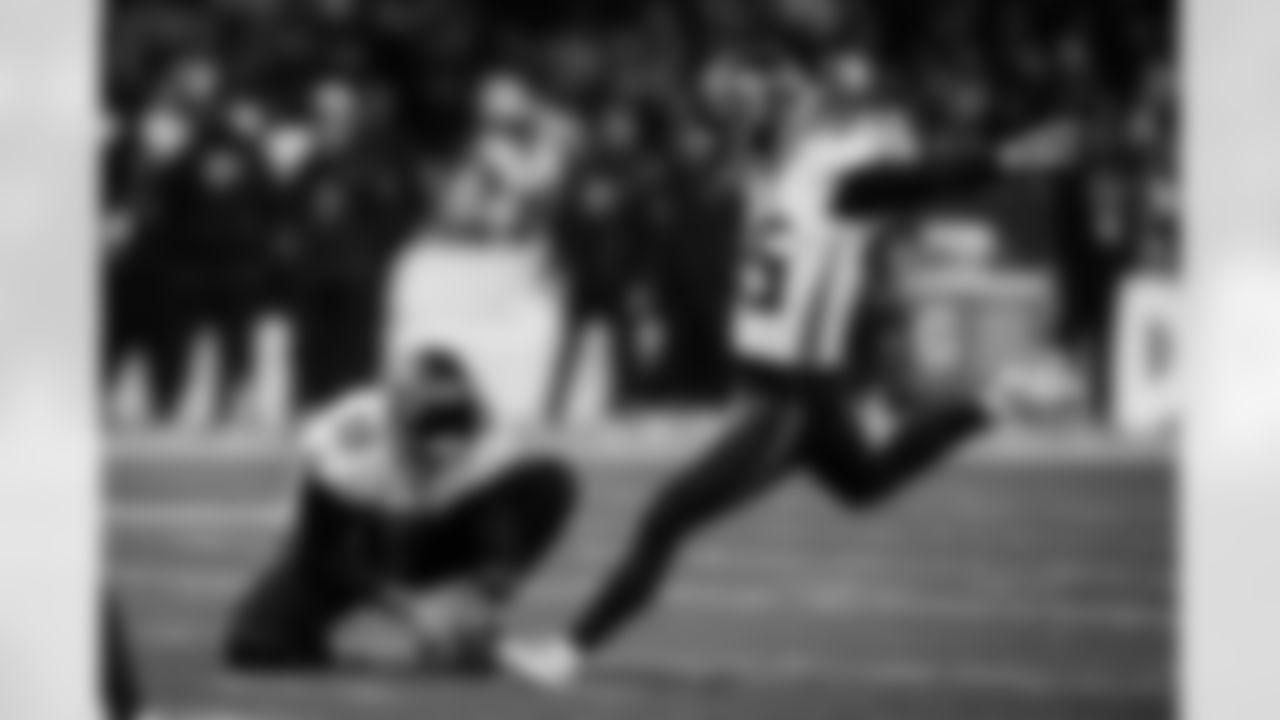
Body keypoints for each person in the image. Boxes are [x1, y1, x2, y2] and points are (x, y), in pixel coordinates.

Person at [498, 57, 1080, 689]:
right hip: (808, 390)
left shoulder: (831, 174)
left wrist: (1003, 158)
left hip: (790, 396)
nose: (759, 124)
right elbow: (734, 126)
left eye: (773, 115)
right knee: (866, 483)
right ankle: (999, 401)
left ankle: (568, 652)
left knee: (668, 515)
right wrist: (743, 101)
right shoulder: (780, 169)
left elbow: (914, 180)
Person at [224, 349, 578, 673]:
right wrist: (410, 609)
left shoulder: (487, 441)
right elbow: (322, 548)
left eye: (455, 419)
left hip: (438, 538)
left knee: (551, 482)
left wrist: (482, 595)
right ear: (399, 414)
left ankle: (464, 629)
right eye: (433, 420)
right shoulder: (353, 445)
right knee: (258, 644)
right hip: (365, 543)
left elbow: (498, 527)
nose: (446, 446)